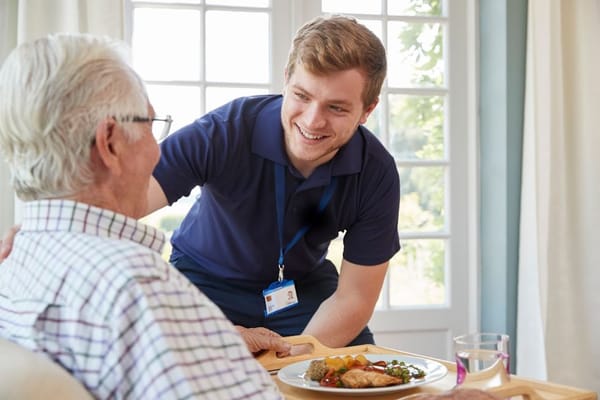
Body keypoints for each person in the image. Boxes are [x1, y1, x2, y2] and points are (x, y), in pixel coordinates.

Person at [0, 33, 284, 399]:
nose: (157, 152)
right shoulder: (135, 284)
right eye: (150, 125)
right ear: (111, 142)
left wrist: (207, 340)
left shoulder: (13, 263)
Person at [146, 14, 400, 348]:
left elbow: (354, 299)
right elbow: (118, 200)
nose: (312, 121)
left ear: (367, 109)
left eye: (336, 108)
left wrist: (290, 357)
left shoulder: (376, 171)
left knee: (354, 379)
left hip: (301, 290)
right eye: (302, 95)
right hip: (203, 283)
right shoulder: (224, 132)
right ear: (286, 80)